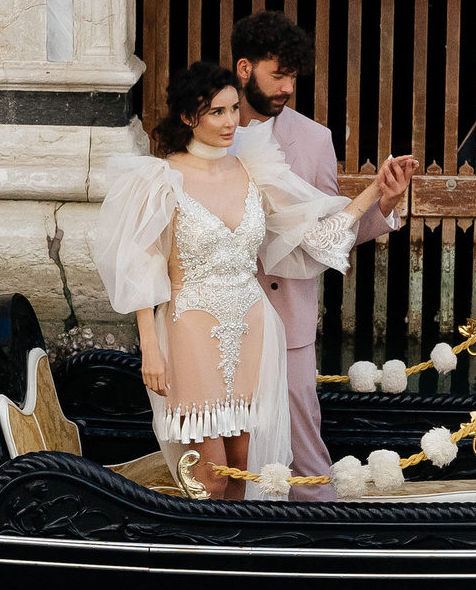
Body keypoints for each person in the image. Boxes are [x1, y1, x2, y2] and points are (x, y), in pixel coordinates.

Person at [91, 61, 401, 499]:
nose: (230, 121)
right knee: (211, 476)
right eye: (216, 112)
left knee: (242, 469)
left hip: (254, 327)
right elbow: (141, 268)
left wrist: (376, 192)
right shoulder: (158, 179)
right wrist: (150, 348)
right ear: (187, 117)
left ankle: (234, 555)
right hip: (190, 330)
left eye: (234, 109)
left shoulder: (252, 167)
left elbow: (312, 230)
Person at [228, 11, 417, 501]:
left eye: (293, 76)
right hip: (220, 315)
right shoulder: (209, 129)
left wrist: (385, 205)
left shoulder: (315, 139)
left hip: (287, 315)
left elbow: (334, 233)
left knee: (302, 439)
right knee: (224, 438)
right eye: (278, 74)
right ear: (244, 69)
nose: (288, 86)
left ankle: (320, 526)